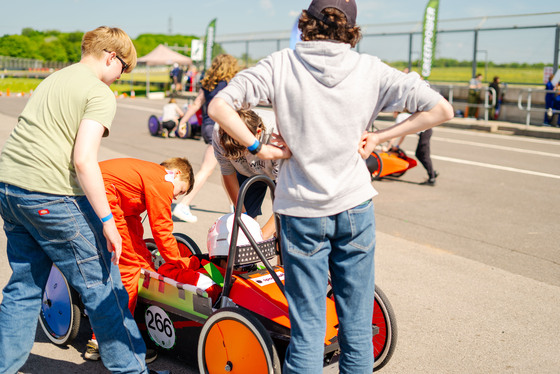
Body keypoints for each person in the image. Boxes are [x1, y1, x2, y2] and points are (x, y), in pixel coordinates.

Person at [208, 1, 454, 373]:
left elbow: (219, 107)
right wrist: (383, 135)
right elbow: (441, 109)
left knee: (308, 331)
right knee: (355, 327)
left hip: (301, 211)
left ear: (305, 23)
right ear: (351, 29)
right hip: (354, 206)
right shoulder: (370, 69)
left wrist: (259, 147)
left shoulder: (281, 65)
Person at [0, 26, 168, 374]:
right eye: (123, 69)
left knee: (24, 289)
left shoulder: (54, 79)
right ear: (111, 57)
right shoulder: (99, 92)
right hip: (52, 195)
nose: (120, 79)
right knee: (104, 287)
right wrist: (108, 222)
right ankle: (132, 370)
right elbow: (83, 159)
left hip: (10, 188)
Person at [84, 157, 216, 363]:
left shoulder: (145, 176)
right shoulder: (163, 180)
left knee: (144, 265)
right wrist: (183, 262)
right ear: (177, 174)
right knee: (129, 273)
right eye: (181, 191)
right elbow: (162, 231)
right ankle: (106, 340)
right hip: (103, 196)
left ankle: (129, 323)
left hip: (104, 195)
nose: (175, 198)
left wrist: (149, 263)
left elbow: (132, 222)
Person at [172, 54, 240, 223]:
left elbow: (196, 104)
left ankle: (235, 206)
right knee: (207, 169)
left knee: (228, 168)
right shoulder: (230, 84)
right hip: (221, 128)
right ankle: (184, 204)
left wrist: (183, 121)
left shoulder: (208, 84)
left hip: (208, 127)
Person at [213, 108, 282, 239]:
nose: (245, 157)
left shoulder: (279, 136)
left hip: (279, 171)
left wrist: (260, 239)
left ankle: (282, 258)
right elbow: (228, 173)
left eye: (245, 150)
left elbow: (286, 200)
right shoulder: (219, 132)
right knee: (243, 227)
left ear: (258, 133)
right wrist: (244, 219)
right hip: (246, 173)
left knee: (283, 230)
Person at [388, 111, 438, 186]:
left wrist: (388, 147)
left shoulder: (400, 116)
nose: (392, 114)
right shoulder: (403, 116)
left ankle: (432, 178)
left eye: (393, 112)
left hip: (425, 131)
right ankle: (432, 172)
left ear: (396, 112)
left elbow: (396, 133)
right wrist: (397, 146)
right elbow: (403, 134)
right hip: (425, 131)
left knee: (424, 155)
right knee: (418, 154)